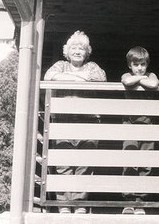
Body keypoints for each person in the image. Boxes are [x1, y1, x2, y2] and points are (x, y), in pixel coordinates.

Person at [44, 30, 106, 214]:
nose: (78, 51)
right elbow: (49, 76)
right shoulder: (60, 65)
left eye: (82, 48)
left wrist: (71, 79)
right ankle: (63, 204)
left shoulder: (92, 67)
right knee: (63, 164)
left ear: (87, 52)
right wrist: (78, 78)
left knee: (83, 165)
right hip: (62, 122)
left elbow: (100, 79)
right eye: (74, 48)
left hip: (88, 122)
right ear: (67, 51)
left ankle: (79, 204)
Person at [120, 46, 159, 215]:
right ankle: (128, 201)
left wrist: (141, 78)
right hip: (130, 126)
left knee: (146, 164)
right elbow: (126, 82)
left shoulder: (150, 75)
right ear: (130, 65)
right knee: (130, 161)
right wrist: (140, 79)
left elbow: (154, 83)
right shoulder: (127, 75)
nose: (140, 68)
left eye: (143, 64)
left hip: (148, 125)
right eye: (136, 64)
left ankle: (141, 201)